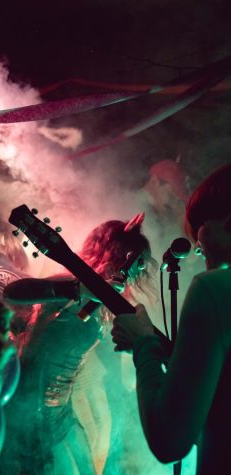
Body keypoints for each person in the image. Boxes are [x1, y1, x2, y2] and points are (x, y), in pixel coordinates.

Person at [0, 216, 157, 475]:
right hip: (31, 410)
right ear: (112, 255)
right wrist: (79, 290)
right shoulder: (70, 282)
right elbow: (13, 291)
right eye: (131, 262)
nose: (135, 273)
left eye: (137, 265)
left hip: (61, 412)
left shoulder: (104, 302)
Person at [111, 162, 231, 474]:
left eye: (201, 247)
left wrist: (143, 345)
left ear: (227, 223)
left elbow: (170, 440)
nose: (198, 252)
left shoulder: (215, 288)